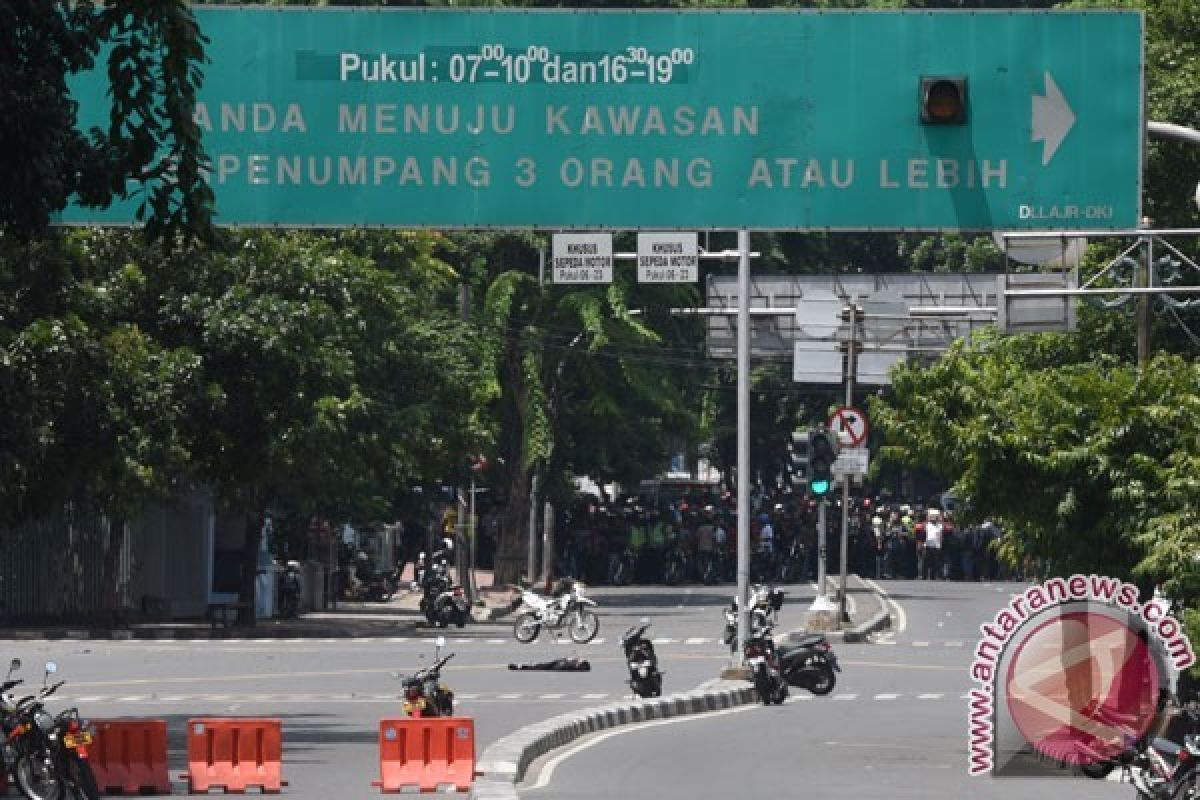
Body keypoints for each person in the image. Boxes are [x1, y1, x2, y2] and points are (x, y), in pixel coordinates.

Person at [923, 509, 945, 580]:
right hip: (928, 545)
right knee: (926, 562)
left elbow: (941, 535)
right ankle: (924, 576)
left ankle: (933, 576)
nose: (933, 518)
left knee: (935, 562)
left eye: (935, 517)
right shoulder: (927, 525)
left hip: (936, 546)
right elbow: (923, 533)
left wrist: (940, 544)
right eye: (932, 517)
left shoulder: (940, 526)